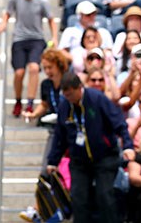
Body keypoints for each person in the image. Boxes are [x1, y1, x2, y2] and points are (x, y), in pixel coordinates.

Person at [46, 72, 134, 223]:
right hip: (80, 161)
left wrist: (127, 145)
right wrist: (52, 161)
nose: (69, 99)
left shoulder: (97, 99)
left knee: (105, 196)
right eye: (66, 95)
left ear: (79, 88)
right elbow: (60, 136)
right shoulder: (65, 106)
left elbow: (119, 122)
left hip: (105, 157)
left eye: (71, 95)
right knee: (78, 198)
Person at [0, 0, 57, 117]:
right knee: (19, 72)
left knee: (34, 68)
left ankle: (30, 103)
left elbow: (51, 19)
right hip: (19, 39)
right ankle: (18, 100)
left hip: (36, 39)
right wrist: (3, 23)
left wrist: (54, 37)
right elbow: (7, 12)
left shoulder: (42, 1)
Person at [22, 49, 70, 126]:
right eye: (45, 68)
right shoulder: (45, 84)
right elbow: (44, 104)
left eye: (50, 67)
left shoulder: (70, 81)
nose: (47, 71)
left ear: (59, 65)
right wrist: (33, 114)